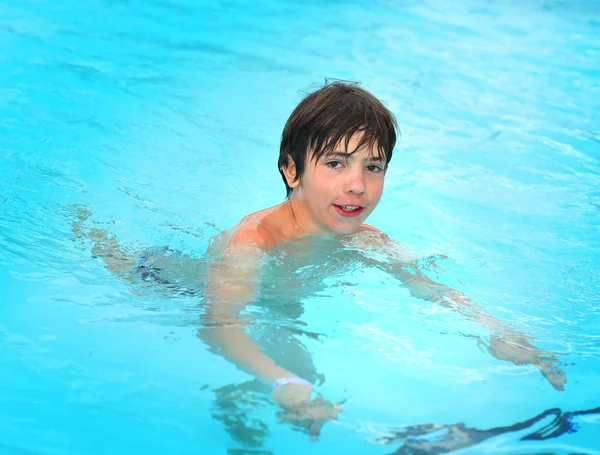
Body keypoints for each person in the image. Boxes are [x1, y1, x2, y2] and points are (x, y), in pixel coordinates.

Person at [72, 80, 566, 441]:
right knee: (136, 271)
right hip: (182, 283)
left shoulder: (364, 238)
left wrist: (494, 330)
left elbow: (427, 287)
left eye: (373, 167)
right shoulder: (254, 242)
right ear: (292, 169)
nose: (358, 184)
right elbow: (219, 325)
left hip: (282, 311)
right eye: (336, 163)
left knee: (307, 407)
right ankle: (96, 236)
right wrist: (283, 380)